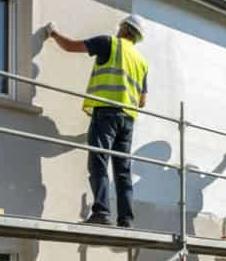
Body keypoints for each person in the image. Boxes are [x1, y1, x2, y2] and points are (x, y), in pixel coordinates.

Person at [43, 14, 149, 226]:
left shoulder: (109, 43)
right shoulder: (141, 62)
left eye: (121, 27)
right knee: (122, 170)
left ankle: (101, 212)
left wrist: (53, 33)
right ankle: (126, 219)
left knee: (99, 161)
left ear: (126, 29)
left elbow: (71, 46)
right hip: (127, 120)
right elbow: (142, 101)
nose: (118, 30)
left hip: (106, 113)